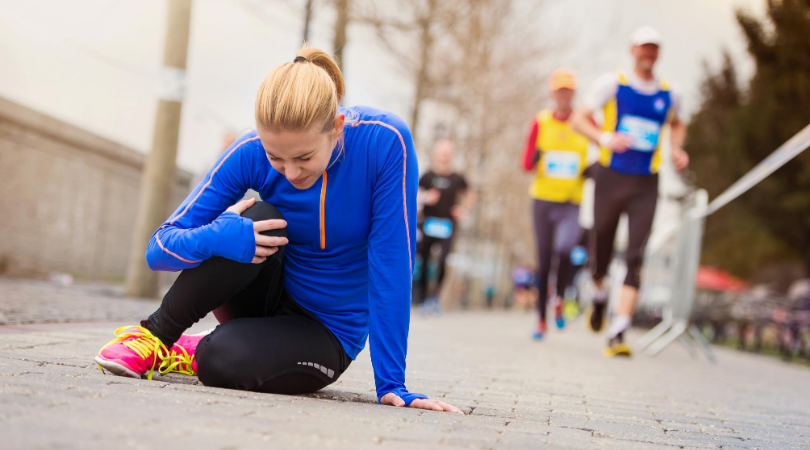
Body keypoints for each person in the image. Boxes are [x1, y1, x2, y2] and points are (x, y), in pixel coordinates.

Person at [93, 45, 460, 413]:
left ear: (336, 127)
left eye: (303, 157)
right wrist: (218, 235)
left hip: (326, 332)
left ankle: (199, 349)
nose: (291, 173)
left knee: (219, 360)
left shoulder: (384, 142)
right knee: (252, 218)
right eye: (275, 158)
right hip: (262, 292)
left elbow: (391, 264)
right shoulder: (249, 150)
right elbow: (158, 249)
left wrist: (392, 383)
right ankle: (153, 338)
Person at [571, 26, 690, 357]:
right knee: (601, 254)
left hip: (646, 182)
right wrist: (605, 138)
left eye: (654, 48)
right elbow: (579, 119)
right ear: (632, 50)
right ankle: (598, 296)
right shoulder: (614, 84)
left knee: (636, 254)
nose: (648, 53)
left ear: (658, 53)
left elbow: (678, 123)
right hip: (610, 177)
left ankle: (619, 330)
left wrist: (676, 149)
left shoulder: (670, 93)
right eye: (643, 48)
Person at [521, 68, 590, 340]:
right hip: (543, 200)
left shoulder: (586, 121)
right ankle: (540, 320)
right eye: (559, 90)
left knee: (565, 249)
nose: (563, 95)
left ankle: (559, 297)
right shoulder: (540, 122)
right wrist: (537, 157)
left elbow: (602, 146)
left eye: (568, 91)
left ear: (573, 94)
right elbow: (525, 164)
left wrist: (591, 168)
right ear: (553, 93)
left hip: (571, 202)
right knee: (544, 258)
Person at [415, 138, 474, 314]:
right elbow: (414, 193)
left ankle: (435, 298)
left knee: (442, 260)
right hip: (428, 223)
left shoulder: (457, 178)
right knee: (424, 261)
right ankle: (424, 298)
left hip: (447, 225)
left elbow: (470, 193)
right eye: (442, 153)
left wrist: (463, 209)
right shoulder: (427, 176)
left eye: (447, 154)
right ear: (436, 154)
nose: (444, 157)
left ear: (451, 156)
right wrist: (426, 197)